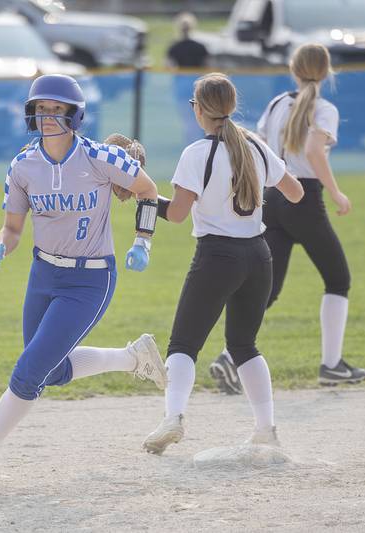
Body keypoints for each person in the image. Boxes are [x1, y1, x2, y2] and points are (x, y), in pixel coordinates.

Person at [0, 74, 168, 490]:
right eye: (41, 109)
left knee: (29, 370)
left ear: (75, 114)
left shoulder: (100, 157)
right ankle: (132, 358)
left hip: (89, 280)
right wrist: (0, 244)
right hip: (43, 274)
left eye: (57, 109)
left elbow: (148, 190)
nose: (47, 117)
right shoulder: (23, 165)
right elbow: (12, 228)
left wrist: (143, 242)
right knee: (49, 371)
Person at [141, 73, 304, 454]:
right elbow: (295, 193)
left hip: (217, 256)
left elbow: (178, 215)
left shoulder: (196, 153)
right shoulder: (256, 147)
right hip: (259, 255)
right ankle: (266, 429)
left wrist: (147, 200)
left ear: (199, 110)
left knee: (183, 344)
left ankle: (173, 418)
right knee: (245, 345)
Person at [209, 43, 365, 395]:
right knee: (338, 279)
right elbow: (314, 152)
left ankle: (228, 357)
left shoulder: (277, 103)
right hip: (304, 198)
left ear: (294, 70)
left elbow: (260, 148)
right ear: (327, 72)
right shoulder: (323, 108)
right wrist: (337, 192)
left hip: (273, 199)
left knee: (268, 289)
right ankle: (332, 366)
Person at [167, 12, 210, 145]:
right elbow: (207, 65)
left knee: (188, 120)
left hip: (182, 83)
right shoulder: (200, 46)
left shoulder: (175, 46)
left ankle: (193, 145)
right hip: (198, 83)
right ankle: (202, 143)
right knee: (202, 116)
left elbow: (168, 65)